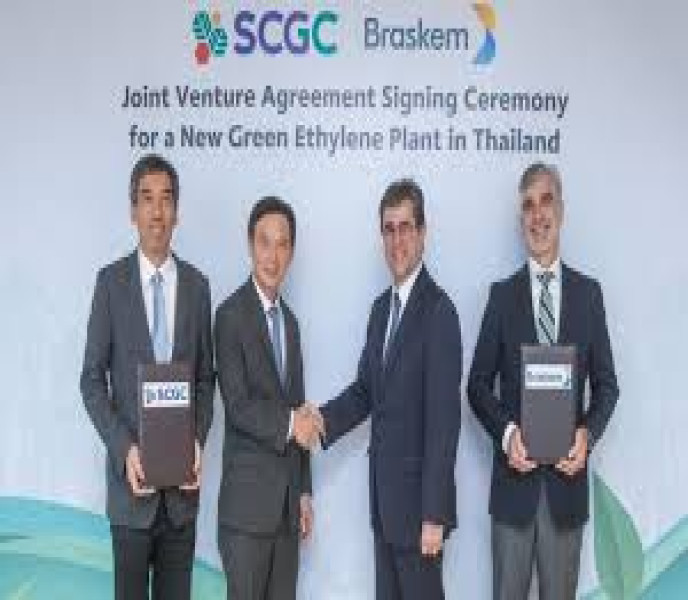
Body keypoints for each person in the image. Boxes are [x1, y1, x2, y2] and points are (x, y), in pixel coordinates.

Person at [467, 162, 619, 599]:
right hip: (512, 493)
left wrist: (587, 436)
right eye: (528, 206)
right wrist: (507, 435)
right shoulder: (501, 296)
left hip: (566, 493)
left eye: (546, 201)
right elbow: (477, 384)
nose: (537, 214)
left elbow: (607, 386)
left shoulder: (589, 296)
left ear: (562, 210)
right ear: (521, 221)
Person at [314, 179, 462, 599]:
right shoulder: (381, 310)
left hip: (419, 516)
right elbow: (366, 391)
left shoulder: (439, 312)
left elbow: (444, 422)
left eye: (405, 227)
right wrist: (320, 421)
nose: (397, 240)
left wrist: (434, 514)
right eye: (388, 229)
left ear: (422, 233)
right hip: (384, 509)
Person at [80, 154, 214, 600]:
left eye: (166, 199)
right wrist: (124, 449)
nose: (157, 211)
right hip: (130, 496)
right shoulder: (110, 284)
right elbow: (91, 380)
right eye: (147, 199)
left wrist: (197, 440)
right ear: (132, 210)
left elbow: (205, 380)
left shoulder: (197, 286)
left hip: (181, 500)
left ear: (177, 212)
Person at [214, 196, 316, 600]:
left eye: (282, 244)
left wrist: (304, 492)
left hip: (287, 515)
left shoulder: (291, 324)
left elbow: (300, 407)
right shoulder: (229, 316)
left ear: (292, 251)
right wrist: (292, 424)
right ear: (250, 244)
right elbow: (238, 406)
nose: (272, 256)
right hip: (246, 516)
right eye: (264, 242)